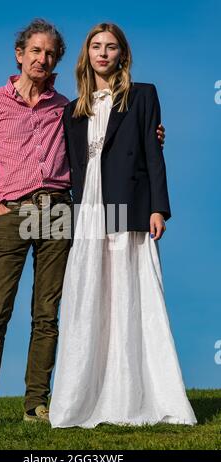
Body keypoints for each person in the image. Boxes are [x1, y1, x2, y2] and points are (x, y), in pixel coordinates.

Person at [0, 19, 165, 428]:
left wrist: (153, 134)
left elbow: (111, 139)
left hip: (57, 210)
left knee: (47, 312)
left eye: (51, 52)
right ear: (20, 55)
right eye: (36, 51)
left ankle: (37, 402)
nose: (43, 58)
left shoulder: (70, 108)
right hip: (12, 210)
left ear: (58, 59)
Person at [49, 23, 197, 428]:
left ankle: (135, 393)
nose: (103, 53)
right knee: (90, 294)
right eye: (96, 46)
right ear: (87, 55)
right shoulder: (71, 110)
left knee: (131, 292)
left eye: (111, 47)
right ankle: (82, 398)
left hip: (128, 206)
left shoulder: (143, 96)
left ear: (122, 54)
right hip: (89, 210)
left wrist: (157, 208)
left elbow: (153, 152)